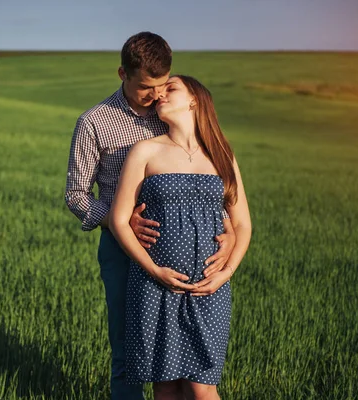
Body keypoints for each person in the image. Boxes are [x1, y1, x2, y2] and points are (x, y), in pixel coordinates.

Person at [65, 32, 237, 400]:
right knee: (129, 350)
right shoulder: (94, 122)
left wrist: (231, 232)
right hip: (121, 247)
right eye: (146, 87)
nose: (156, 95)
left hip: (183, 251)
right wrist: (118, 219)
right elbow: (76, 194)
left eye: (162, 86)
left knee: (179, 363)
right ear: (122, 73)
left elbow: (207, 181)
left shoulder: (168, 113)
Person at [108, 75, 252, 400]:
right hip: (154, 283)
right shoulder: (145, 150)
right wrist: (153, 270)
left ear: (194, 100)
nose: (161, 94)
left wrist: (226, 273)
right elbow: (119, 219)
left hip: (209, 287)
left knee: (202, 388)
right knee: (166, 386)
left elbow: (242, 224)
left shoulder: (221, 155)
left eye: (171, 88)